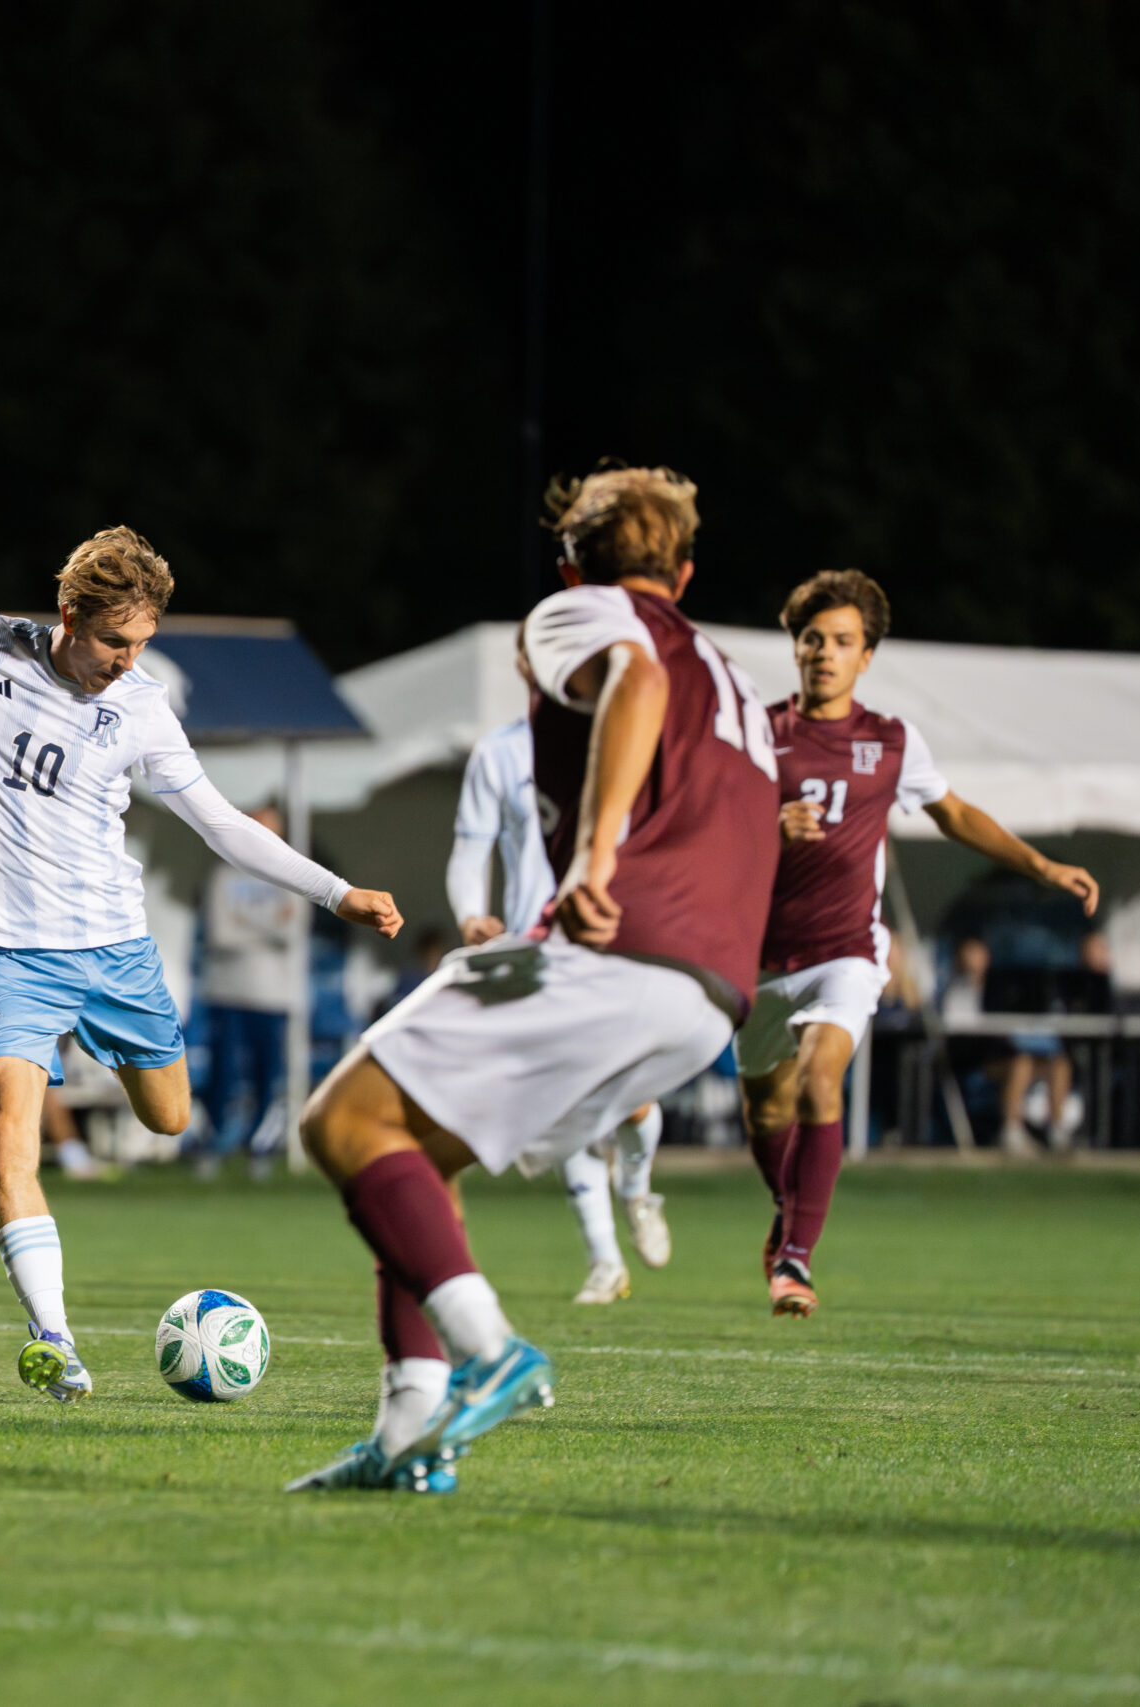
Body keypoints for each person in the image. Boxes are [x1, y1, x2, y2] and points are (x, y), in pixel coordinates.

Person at [0, 440, 403, 1404]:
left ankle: (118, 1135)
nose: (128, 662)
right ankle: (54, 1337)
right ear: (69, 618)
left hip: (115, 952)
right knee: (8, 1126)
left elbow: (220, 822)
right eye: (114, 643)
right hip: (7, 957)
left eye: (141, 643)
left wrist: (334, 890)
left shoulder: (142, 708)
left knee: (169, 1116)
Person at [288, 464, 779, 1495]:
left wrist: (594, 863)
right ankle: (409, 1441)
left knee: (340, 1123)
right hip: (709, 992)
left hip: (617, 946)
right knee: (416, 1157)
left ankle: (491, 1352)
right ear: (684, 573)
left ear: (568, 562)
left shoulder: (575, 613)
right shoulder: (732, 678)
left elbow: (632, 681)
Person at [738, 571, 1098, 1316]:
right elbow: (706, 831)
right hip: (760, 955)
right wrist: (764, 827)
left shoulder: (890, 740)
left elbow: (955, 812)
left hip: (847, 951)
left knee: (820, 1079)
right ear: (794, 646)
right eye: (812, 639)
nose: (824, 653)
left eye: (842, 641)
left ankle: (796, 1261)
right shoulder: (756, 731)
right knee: (767, 1110)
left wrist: (1040, 864)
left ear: (867, 655)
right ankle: (791, 1213)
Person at [449, 711, 671, 1304]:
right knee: (559, 1107)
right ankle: (604, 1259)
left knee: (634, 1101)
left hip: (619, 947)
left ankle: (638, 1189)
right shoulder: (501, 752)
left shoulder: (638, 737)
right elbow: (472, 847)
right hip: (538, 955)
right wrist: (472, 913)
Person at [192, 805, 302, 1179]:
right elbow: (221, 934)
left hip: (273, 996)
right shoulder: (223, 876)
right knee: (222, 1073)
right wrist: (269, 926)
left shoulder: (293, 877)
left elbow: (294, 932)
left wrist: (247, 925)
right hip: (227, 992)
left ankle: (259, 1147)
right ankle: (214, 1144)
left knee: (266, 1074)